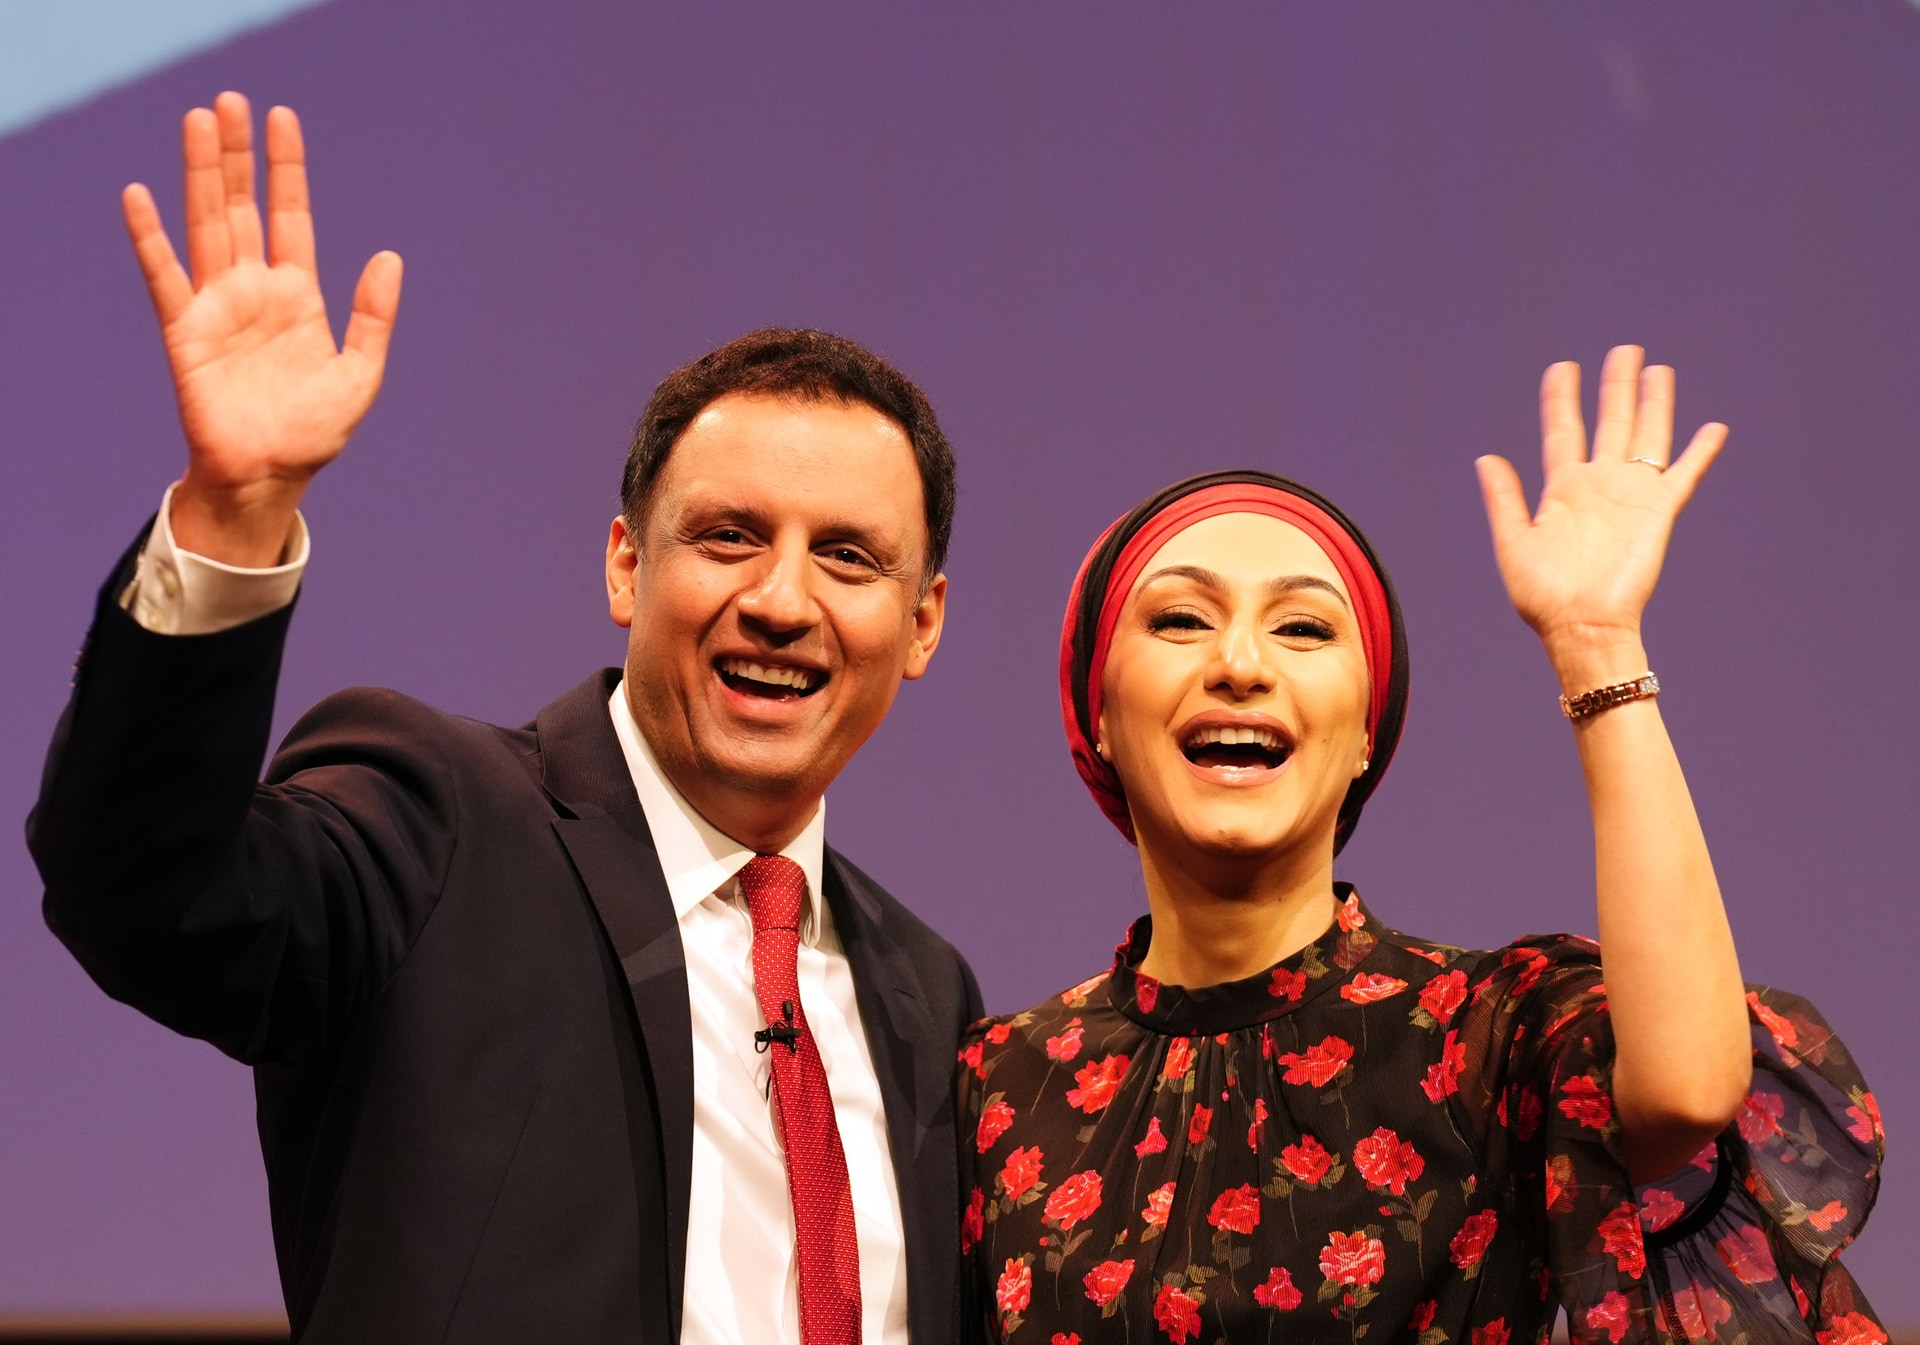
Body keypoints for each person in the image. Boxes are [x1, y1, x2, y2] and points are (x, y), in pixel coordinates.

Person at [28, 93, 981, 1344]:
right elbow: (139, 887)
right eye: (728, 536)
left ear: (922, 625)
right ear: (626, 569)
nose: (780, 600)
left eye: (849, 557)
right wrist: (233, 515)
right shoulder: (435, 821)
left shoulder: (931, 995)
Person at [956, 351, 1886, 1344]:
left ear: (1366, 732)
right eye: (1182, 619)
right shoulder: (998, 1084)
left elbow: (1689, 1083)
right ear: (1097, 710)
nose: (1238, 663)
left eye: (1304, 629)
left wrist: (1598, 645)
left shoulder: (1482, 1037)